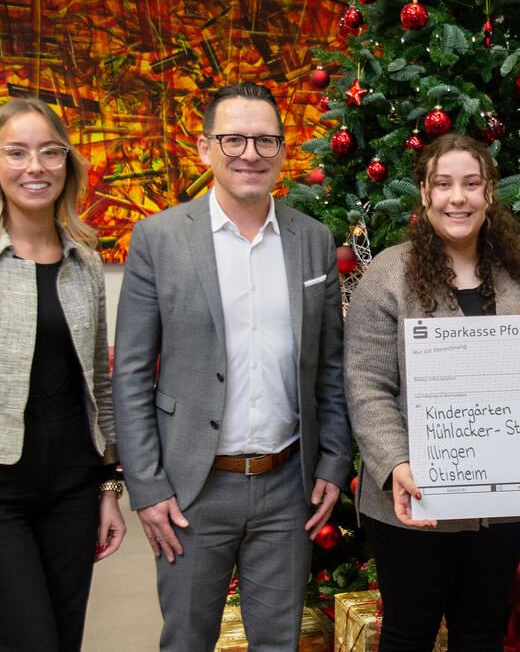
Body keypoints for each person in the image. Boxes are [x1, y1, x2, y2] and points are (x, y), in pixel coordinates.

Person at [113, 82, 353, 650]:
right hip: (192, 492)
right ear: (205, 148)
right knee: (188, 640)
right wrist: (146, 489)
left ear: (281, 150)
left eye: (266, 140)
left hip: (286, 487)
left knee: (279, 642)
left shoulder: (313, 240)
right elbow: (130, 376)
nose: (251, 153)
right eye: (234, 139)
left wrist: (334, 461)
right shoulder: (159, 238)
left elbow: (331, 365)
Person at [0, 97, 125, 650]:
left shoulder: (83, 257)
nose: (34, 167)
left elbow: (98, 387)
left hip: (73, 494)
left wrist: (110, 487)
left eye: (49, 152)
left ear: (66, 164)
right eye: (16, 152)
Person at [345, 133, 520, 651]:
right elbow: (367, 381)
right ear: (424, 193)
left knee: (482, 633)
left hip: (503, 503)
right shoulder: (388, 274)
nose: (456, 198)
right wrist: (396, 463)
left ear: (489, 194)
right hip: (414, 499)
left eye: (470, 184)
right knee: (407, 633)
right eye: (443, 184)